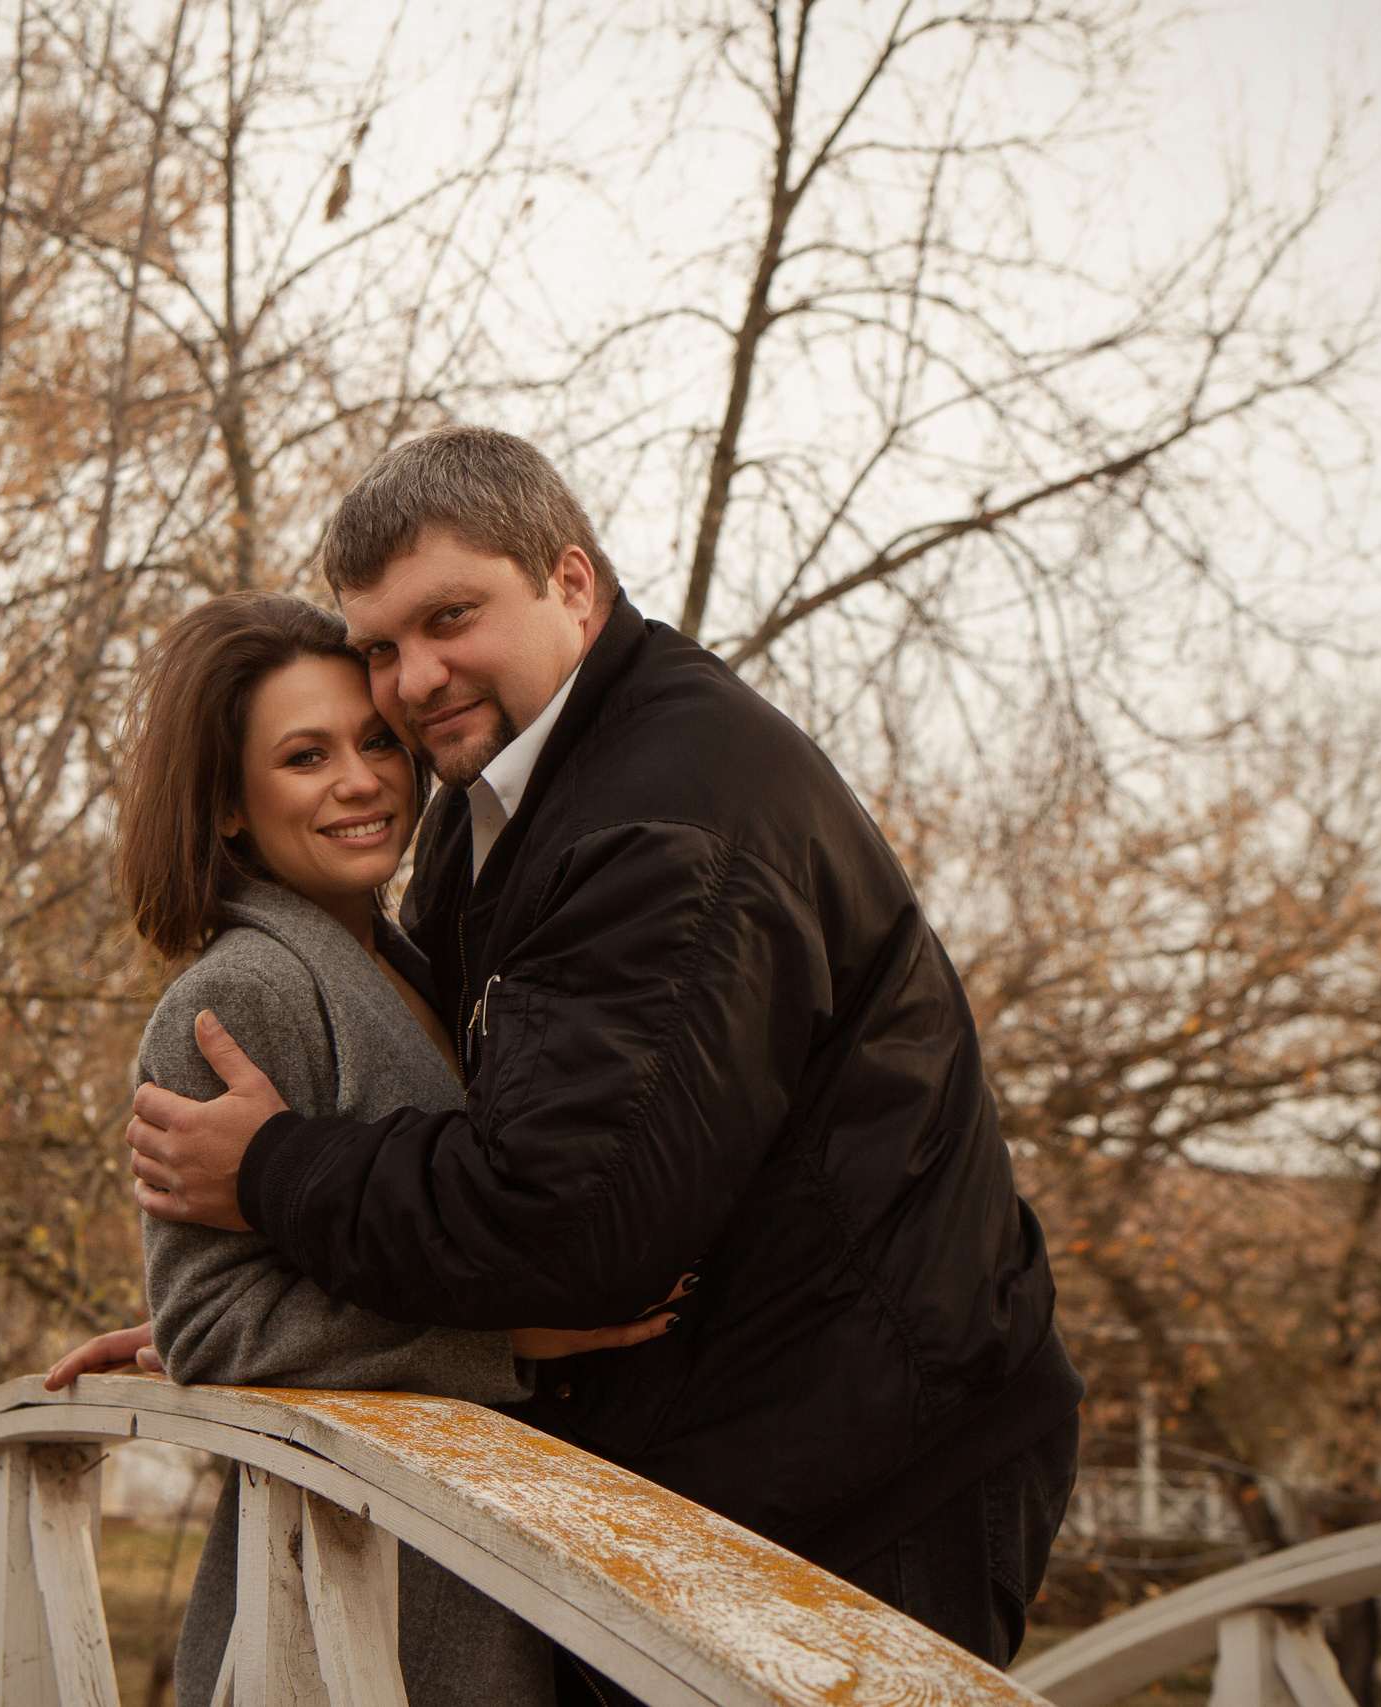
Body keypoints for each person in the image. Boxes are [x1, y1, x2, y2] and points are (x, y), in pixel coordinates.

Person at [123, 427, 1081, 1671]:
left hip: (869, 1479)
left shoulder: (661, 816)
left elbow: (566, 1231)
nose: (410, 684)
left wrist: (272, 1175)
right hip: (734, 1465)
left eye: (448, 617)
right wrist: (244, 1322)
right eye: (381, 648)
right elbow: (514, 1148)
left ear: (571, 584)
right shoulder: (499, 812)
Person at [55, 592, 672, 1707]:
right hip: (340, 1595)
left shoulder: (419, 956)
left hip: (452, 1559)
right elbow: (217, 1320)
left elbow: (303, 1267)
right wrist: (509, 1334)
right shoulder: (240, 992)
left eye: (375, 742)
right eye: (304, 756)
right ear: (229, 809)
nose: (361, 780)